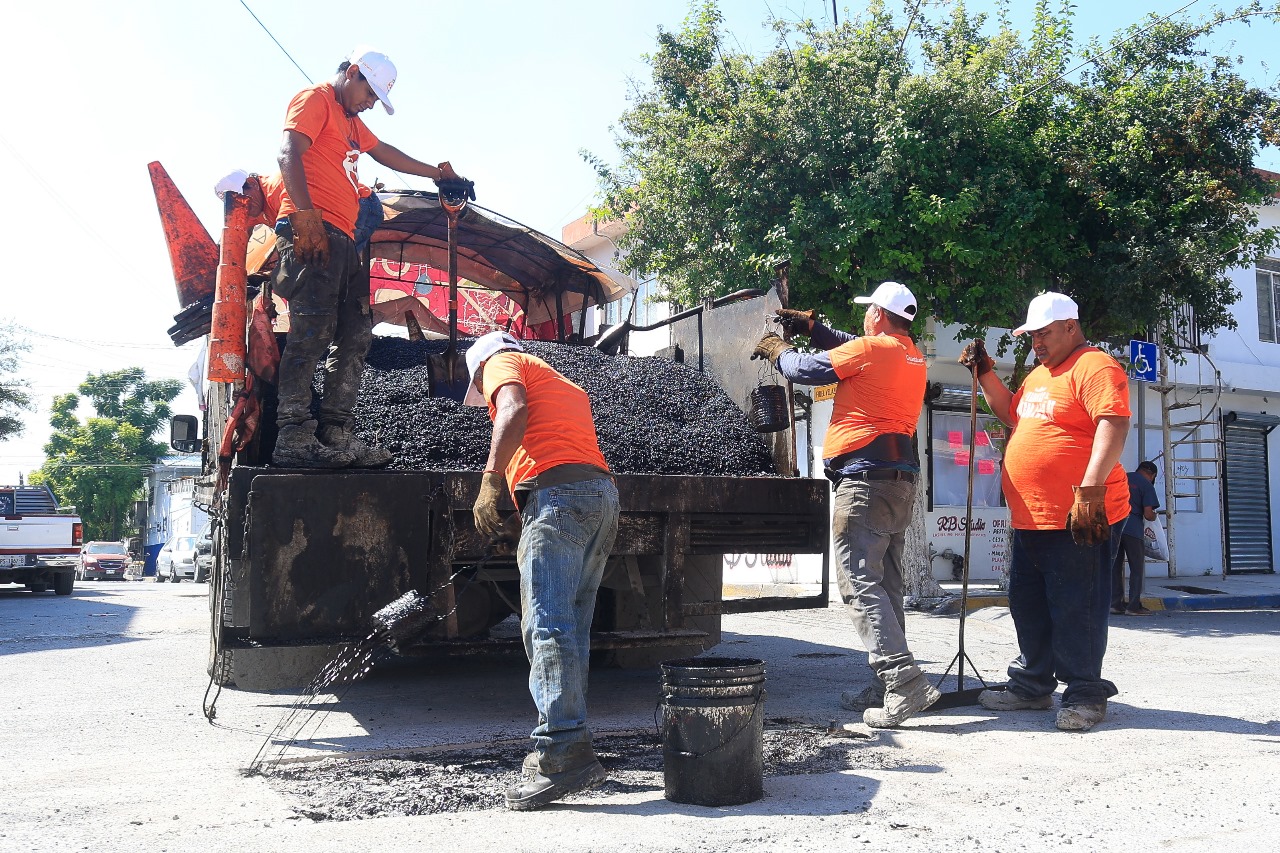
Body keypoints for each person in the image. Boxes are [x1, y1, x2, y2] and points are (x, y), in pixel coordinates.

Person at [271, 46, 467, 468]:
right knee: (313, 330)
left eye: (377, 98)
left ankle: (336, 434)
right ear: (353, 72)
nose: (371, 102)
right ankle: (293, 435)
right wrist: (304, 217)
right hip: (312, 231)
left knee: (356, 331)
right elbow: (288, 153)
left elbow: (387, 153)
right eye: (369, 92)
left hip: (343, 240)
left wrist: (439, 174)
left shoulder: (352, 124)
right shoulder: (316, 99)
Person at [753, 282, 937, 729]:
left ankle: (903, 681)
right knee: (887, 585)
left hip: (865, 482)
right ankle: (886, 683)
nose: (864, 320)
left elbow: (807, 370)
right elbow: (850, 347)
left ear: (876, 313)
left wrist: (780, 349)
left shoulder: (874, 350)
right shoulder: (909, 353)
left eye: (867, 312)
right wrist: (815, 328)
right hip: (898, 481)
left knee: (859, 582)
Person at [960, 292, 1130, 732]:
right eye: (1032, 335)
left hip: (1078, 517)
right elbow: (1012, 414)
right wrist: (983, 373)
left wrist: (1091, 488)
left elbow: (1113, 421)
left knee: (1078, 607)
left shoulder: (1095, 366)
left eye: (1045, 333)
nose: (1037, 342)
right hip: (1031, 519)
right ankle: (1033, 685)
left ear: (1071, 326)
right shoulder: (1039, 375)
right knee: (1028, 604)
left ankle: (1086, 694)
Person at [465, 331, 620, 810]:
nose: (484, 396)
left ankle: (562, 753)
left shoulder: (501, 363)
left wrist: (492, 479)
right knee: (571, 626)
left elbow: (512, 410)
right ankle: (569, 741)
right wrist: (523, 505)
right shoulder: (561, 382)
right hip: (600, 498)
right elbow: (555, 446)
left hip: (560, 500)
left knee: (547, 625)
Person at [1114, 461, 1160, 616]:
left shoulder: (1121, 478)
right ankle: (1133, 606)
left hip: (1115, 527)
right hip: (1133, 529)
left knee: (1115, 566)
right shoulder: (1146, 485)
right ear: (1152, 475)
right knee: (1136, 568)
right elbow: (1148, 513)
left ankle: (1115, 604)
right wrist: (1155, 517)